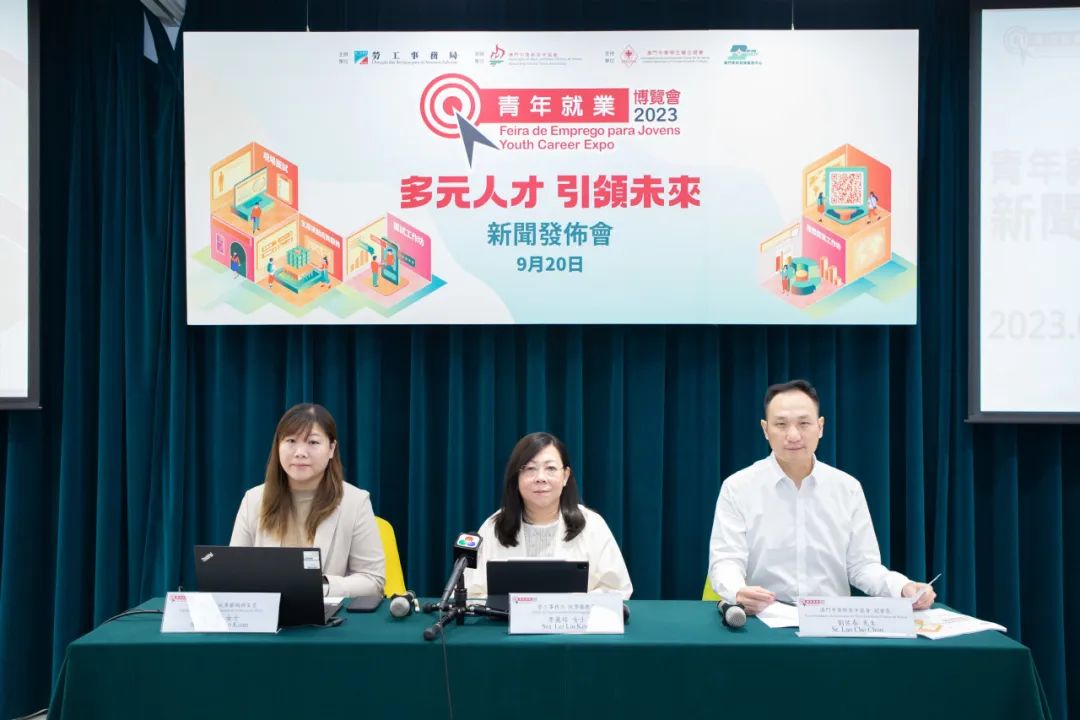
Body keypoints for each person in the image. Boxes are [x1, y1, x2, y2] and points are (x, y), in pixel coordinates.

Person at [708, 379, 936, 614]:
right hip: (763, 616)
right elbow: (726, 560)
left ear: (820, 427)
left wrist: (903, 587)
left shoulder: (847, 488)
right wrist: (738, 590)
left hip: (831, 620)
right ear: (765, 430)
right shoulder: (738, 487)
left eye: (804, 423)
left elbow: (862, 566)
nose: (793, 435)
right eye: (781, 424)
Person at [230, 403, 386, 599]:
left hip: (328, 616)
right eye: (291, 440)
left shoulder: (355, 502)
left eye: (312, 442)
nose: (300, 452)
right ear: (278, 446)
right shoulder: (253, 500)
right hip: (267, 614)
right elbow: (234, 573)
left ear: (331, 448)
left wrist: (321, 587)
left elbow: (373, 581)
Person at [465, 432, 633, 599]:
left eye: (550, 468)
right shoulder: (493, 528)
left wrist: (570, 604)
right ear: (516, 477)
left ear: (565, 476)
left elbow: (617, 590)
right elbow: (470, 593)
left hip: (574, 616)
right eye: (530, 468)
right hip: (504, 617)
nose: (540, 478)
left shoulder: (592, 525)